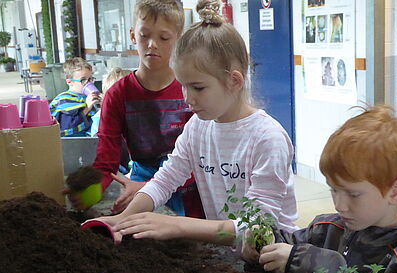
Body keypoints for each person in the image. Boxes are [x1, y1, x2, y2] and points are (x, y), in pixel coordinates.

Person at [90, 0, 299, 245]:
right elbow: (166, 179)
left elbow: (256, 227)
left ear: (234, 81)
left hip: (275, 258)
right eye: (183, 86)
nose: (187, 99)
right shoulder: (198, 127)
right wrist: (123, 220)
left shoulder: (267, 139)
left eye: (198, 87)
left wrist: (177, 225)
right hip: (230, 253)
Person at [242, 105, 397, 273]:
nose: (339, 205)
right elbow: (289, 245)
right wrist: (264, 241)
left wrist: (310, 262)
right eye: (334, 190)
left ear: (396, 191)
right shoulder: (328, 228)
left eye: (353, 194)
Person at [89, 0, 204, 217]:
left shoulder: (192, 89)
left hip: (190, 188)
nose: (152, 44)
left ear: (178, 39)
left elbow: (202, 157)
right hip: (140, 183)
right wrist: (91, 187)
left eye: (164, 37)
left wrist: (152, 187)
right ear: (133, 35)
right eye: (144, 35)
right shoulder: (117, 95)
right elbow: (106, 159)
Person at [49, 57, 102, 137]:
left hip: (90, 141)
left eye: (90, 79)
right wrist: (86, 108)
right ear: (70, 82)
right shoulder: (64, 100)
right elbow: (67, 128)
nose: (89, 83)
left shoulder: (88, 97)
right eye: (83, 80)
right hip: (72, 144)